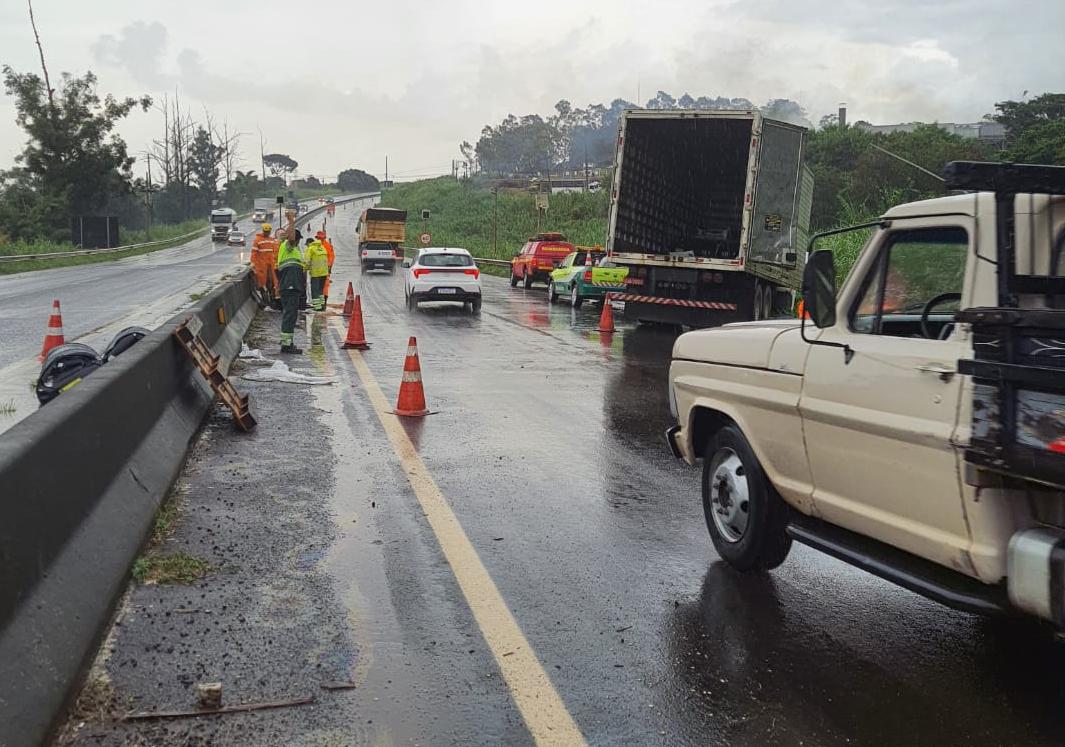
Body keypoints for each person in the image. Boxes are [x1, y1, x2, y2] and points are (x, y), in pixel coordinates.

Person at [276, 229, 306, 353]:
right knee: (289, 315)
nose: (298, 242)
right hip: (290, 285)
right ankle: (286, 345)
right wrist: (292, 220)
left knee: (291, 315)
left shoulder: (293, 251)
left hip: (292, 286)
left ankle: (287, 342)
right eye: (298, 239)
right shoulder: (288, 246)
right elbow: (291, 239)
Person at [250, 223, 280, 305]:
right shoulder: (257, 240)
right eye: (266, 231)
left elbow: (276, 252)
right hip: (262, 265)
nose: (267, 233)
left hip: (271, 264)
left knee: (273, 282)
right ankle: (267, 300)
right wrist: (253, 263)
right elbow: (254, 253)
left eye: (268, 231)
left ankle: (272, 298)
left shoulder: (272, 240)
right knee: (263, 283)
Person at [305, 234, 330, 312]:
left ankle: (317, 307)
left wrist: (305, 269)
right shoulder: (321, 247)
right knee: (320, 290)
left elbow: (307, 261)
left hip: (316, 273)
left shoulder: (310, 248)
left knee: (315, 290)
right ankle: (322, 305)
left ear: (309, 243)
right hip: (324, 272)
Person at [316, 230, 336, 305]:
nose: (319, 239)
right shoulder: (315, 246)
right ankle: (319, 303)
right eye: (318, 238)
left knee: (324, 285)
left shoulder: (327, 246)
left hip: (324, 269)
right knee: (319, 286)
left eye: (320, 238)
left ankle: (323, 302)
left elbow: (331, 257)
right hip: (318, 269)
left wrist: (329, 267)